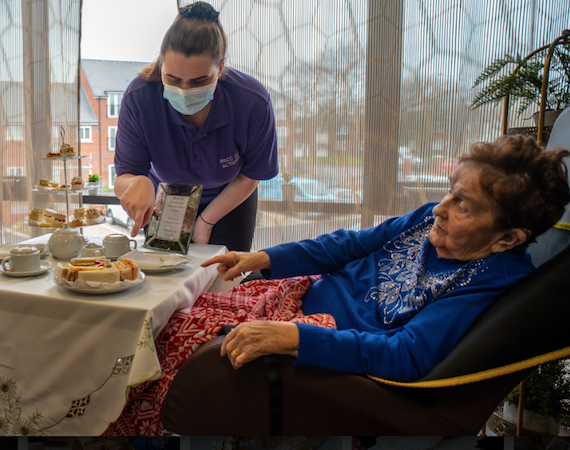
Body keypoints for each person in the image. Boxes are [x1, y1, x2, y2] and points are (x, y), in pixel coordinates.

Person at [104, 135, 570, 435]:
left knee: (177, 344)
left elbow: (407, 354)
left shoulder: (489, 279)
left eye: (463, 205)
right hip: (298, 297)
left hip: (318, 342)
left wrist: (292, 337)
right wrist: (265, 258)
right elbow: (347, 244)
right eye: (450, 191)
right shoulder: (428, 220)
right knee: (164, 321)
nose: (440, 209)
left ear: (509, 238)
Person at [112, 1, 278, 251]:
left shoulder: (251, 101)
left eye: (199, 81)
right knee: (166, 269)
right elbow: (124, 177)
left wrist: (206, 221)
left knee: (223, 271)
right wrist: (136, 183)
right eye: (172, 78)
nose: (184, 90)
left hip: (229, 197)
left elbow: (251, 174)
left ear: (220, 69)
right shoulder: (140, 97)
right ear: (161, 66)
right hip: (167, 196)